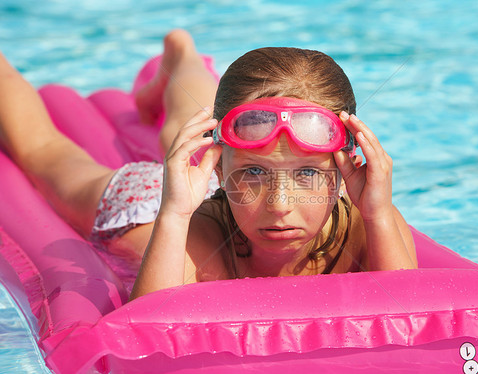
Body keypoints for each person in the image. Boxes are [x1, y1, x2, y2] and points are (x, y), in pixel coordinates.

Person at [0, 30, 417, 302]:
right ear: (220, 170)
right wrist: (176, 211)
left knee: (192, 115)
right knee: (45, 153)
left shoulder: (370, 221)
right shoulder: (198, 239)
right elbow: (148, 329)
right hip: (147, 204)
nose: (280, 206)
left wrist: (378, 212)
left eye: (307, 173)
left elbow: (411, 316)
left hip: (209, 183)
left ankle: (181, 52)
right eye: (255, 172)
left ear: (347, 169)